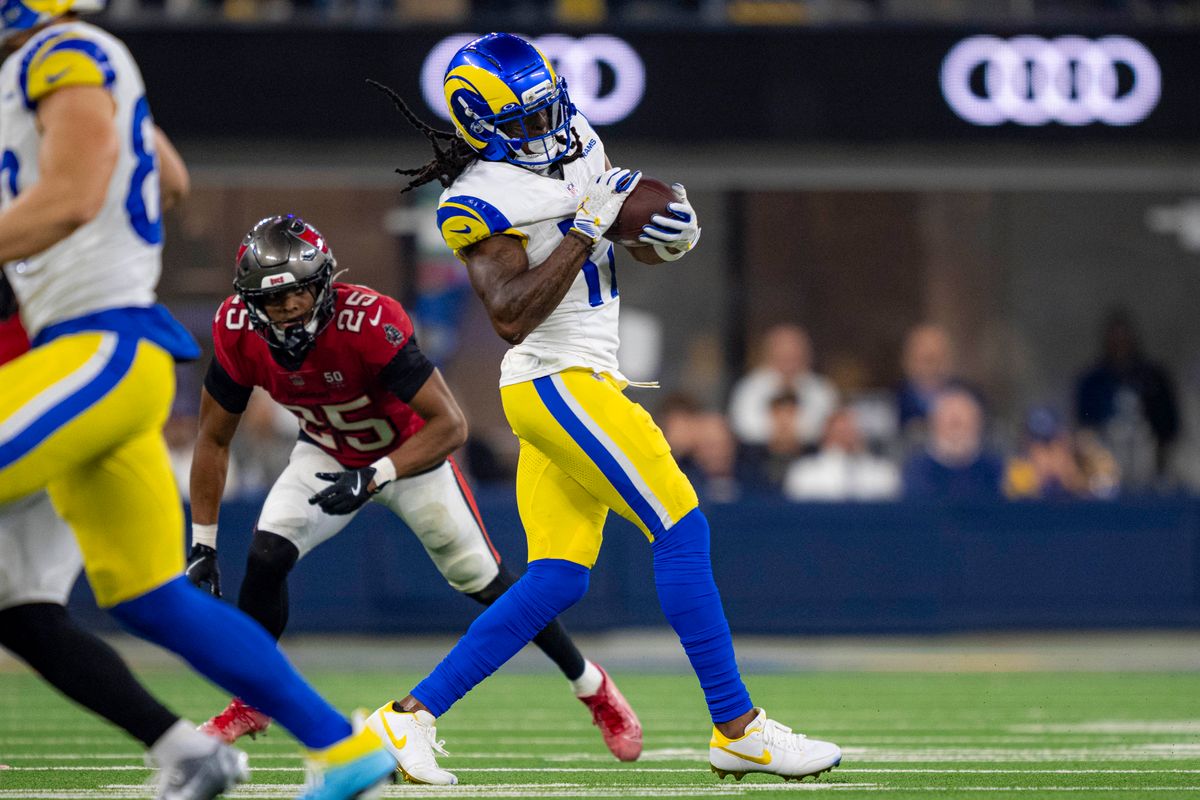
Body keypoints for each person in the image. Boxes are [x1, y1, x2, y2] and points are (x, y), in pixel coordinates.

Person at [368, 32, 842, 783]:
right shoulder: (475, 200)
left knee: (558, 578)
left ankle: (405, 720)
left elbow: (620, 240)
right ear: (479, 125)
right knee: (681, 525)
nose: (548, 127)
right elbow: (510, 314)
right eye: (524, 119)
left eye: (548, 108)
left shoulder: (577, 135)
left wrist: (666, 238)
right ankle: (737, 726)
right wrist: (588, 227)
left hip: (583, 376)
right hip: (555, 379)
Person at [0, 4, 397, 797]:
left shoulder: (63, 52)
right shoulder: (57, 65)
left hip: (98, 342)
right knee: (149, 599)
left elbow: (76, 194)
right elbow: (170, 179)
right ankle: (339, 747)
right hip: (96, 350)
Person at [186, 214, 642, 767]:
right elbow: (213, 438)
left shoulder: (367, 322)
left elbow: (450, 425)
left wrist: (377, 474)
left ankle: (591, 685)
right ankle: (252, 700)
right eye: (272, 299)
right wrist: (203, 542)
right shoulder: (237, 328)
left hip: (410, 456)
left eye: (301, 293)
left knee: (490, 584)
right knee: (265, 554)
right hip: (327, 451)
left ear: (324, 282)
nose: (288, 310)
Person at [0, 316, 243, 800]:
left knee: (150, 600)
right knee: (27, 618)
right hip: (64, 405)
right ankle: (184, 747)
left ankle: (335, 740)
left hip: (49, 407)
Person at [1075, 310, 1179, 488]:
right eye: (1115, 341)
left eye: (1123, 340)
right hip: (1106, 457)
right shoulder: (1093, 380)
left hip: (1145, 454)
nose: (1120, 345)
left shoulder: (1152, 377)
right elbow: (1084, 426)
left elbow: (1168, 424)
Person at [727, 324, 837, 448]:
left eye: (794, 356)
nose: (789, 362)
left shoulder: (820, 389)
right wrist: (777, 432)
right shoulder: (749, 387)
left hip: (810, 454)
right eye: (783, 355)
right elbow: (743, 426)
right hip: (758, 455)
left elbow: (827, 426)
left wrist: (794, 432)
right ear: (769, 355)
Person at [901, 388, 1004, 501]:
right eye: (948, 416)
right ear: (933, 421)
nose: (955, 421)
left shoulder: (996, 470)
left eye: (963, 416)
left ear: (979, 421)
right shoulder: (915, 471)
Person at [784, 407, 900, 502]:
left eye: (851, 431)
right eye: (840, 432)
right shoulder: (804, 472)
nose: (846, 438)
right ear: (826, 435)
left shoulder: (883, 472)